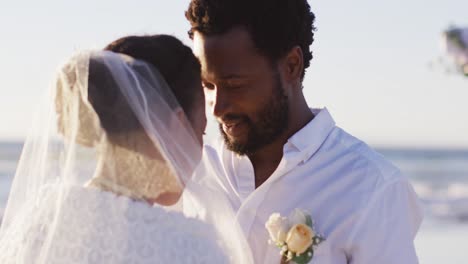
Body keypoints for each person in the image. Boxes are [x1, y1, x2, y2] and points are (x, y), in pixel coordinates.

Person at [185, 0, 423, 263]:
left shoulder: (372, 187)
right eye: (207, 84)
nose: (217, 108)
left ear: (292, 65)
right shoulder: (192, 170)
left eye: (235, 85)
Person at [0, 35, 253, 264]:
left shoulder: (39, 218)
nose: (198, 149)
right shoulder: (192, 249)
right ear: (175, 125)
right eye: (201, 133)